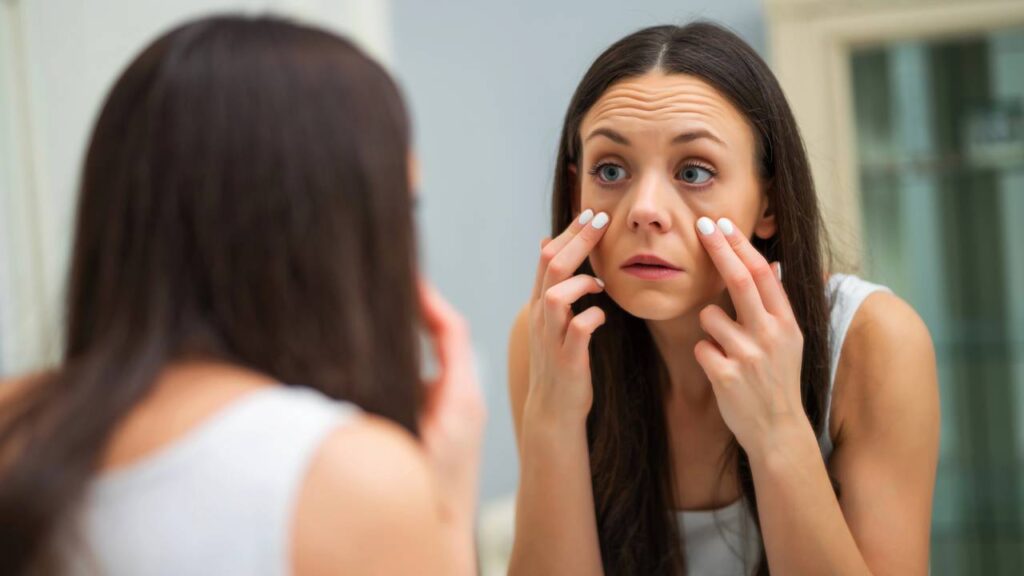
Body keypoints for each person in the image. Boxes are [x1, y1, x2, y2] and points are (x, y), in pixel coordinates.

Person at [0, 15, 483, 576]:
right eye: (405, 205)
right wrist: (445, 501)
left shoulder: (14, 423)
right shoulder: (348, 476)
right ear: (344, 229)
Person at [508, 22, 939, 575]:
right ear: (576, 193)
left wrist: (778, 430)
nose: (645, 209)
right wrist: (552, 417)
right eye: (610, 170)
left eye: (694, 171)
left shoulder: (872, 342)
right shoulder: (548, 339)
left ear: (769, 203)